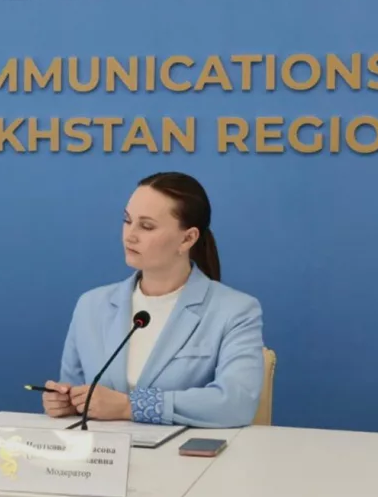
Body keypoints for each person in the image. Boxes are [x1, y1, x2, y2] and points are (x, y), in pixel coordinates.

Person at [42, 172, 263, 428]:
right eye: (127, 221)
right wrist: (66, 402)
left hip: (187, 452)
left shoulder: (236, 311)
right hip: (101, 451)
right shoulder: (91, 305)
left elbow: (236, 404)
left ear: (188, 238)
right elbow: (75, 391)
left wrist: (130, 406)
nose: (130, 235)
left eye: (146, 226)